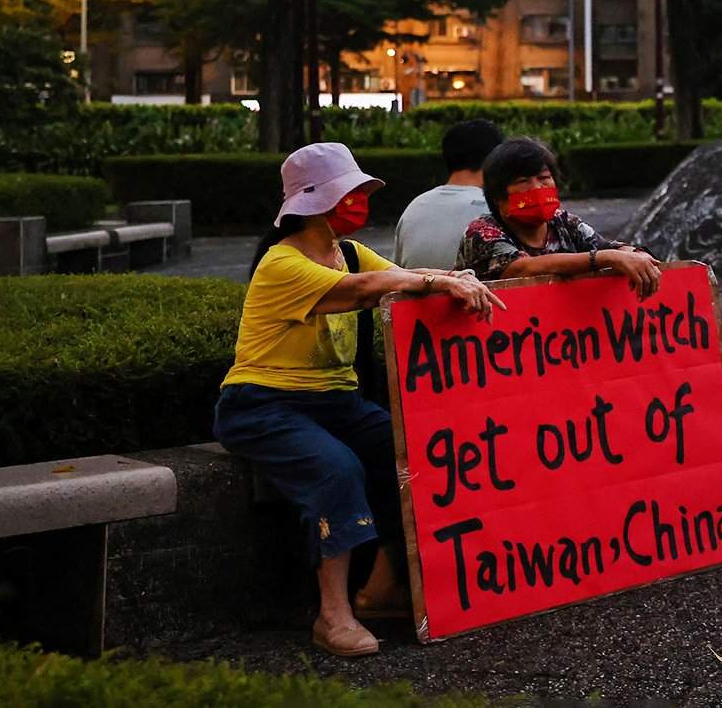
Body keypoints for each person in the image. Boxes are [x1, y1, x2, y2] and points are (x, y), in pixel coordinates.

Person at [213, 142, 504, 658]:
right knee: (337, 469)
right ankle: (333, 615)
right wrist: (435, 278)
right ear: (314, 203)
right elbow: (371, 286)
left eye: (360, 192)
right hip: (262, 404)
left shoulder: (344, 250)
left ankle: (383, 588)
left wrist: (455, 280)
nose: (358, 202)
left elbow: (399, 282)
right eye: (349, 193)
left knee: (416, 454)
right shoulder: (282, 264)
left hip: (337, 403)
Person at [456, 136, 663, 295]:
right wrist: (605, 258)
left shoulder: (564, 222)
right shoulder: (482, 232)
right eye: (523, 182)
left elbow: (608, 247)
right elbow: (523, 269)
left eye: (544, 178)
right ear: (498, 198)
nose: (537, 188)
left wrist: (636, 255)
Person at [393, 118, 502, 270]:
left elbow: (396, 272)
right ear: (496, 160)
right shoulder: (495, 209)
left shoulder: (415, 206)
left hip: (413, 292)